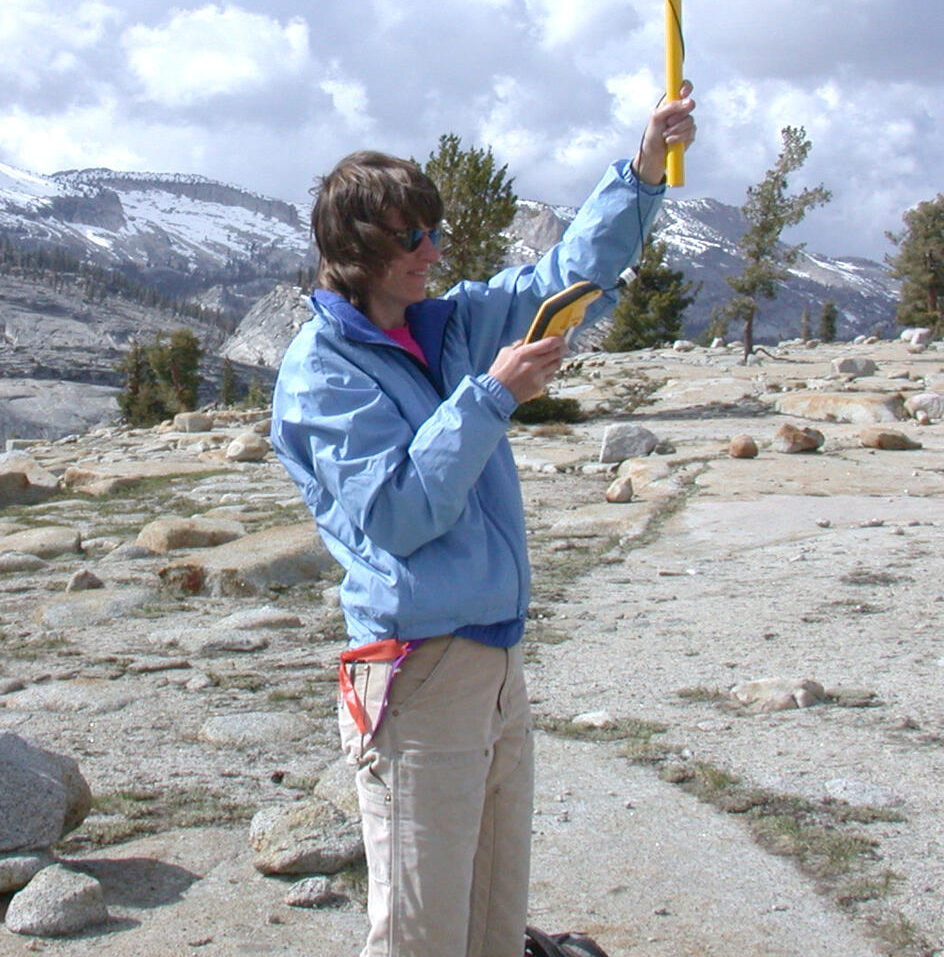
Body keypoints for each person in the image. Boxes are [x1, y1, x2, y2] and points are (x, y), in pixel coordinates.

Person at [270, 86, 696, 957]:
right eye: (410, 237)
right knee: (423, 932)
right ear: (353, 250)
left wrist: (645, 165)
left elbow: (564, 283)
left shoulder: (447, 321)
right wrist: (492, 394)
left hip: (494, 657)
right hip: (418, 670)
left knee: (493, 924)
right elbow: (396, 514)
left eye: (433, 231)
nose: (432, 251)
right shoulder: (321, 373)